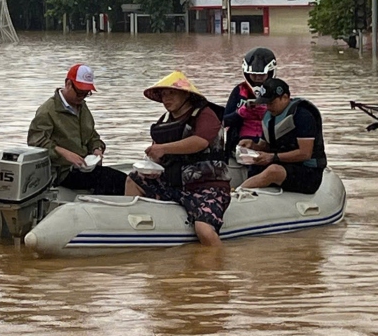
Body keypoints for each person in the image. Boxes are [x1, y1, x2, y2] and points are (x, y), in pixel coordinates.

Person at [126, 71, 229, 247]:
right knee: (133, 179)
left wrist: (164, 148)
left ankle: (217, 268)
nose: (167, 99)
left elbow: (200, 142)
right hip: (175, 184)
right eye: (164, 94)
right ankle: (134, 226)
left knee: (204, 230)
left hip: (207, 187)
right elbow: (157, 154)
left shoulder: (205, 114)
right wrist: (152, 165)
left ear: (186, 94)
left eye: (172, 93)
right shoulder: (163, 122)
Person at [27, 63, 127, 195]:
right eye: (80, 92)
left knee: (124, 180)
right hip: (61, 172)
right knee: (118, 181)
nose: (82, 96)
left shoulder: (82, 106)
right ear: (68, 83)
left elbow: (92, 136)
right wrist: (65, 154)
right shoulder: (47, 111)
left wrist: (97, 149)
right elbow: (35, 142)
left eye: (86, 93)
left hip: (84, 168)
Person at [238, 78, 327, 194]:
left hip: (308, 173)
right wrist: (253, 146)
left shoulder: (303, 116)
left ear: (285, 97)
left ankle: (237, 194)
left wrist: (273, 157)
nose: (268, 107)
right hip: (285, 165)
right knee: (255, 166)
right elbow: (265, 146)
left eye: (271, 102)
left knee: (273, 171)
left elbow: (305, 153)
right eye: (266, 103)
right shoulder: (269, 117)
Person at [222, 47, 277, 156]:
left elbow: (287, 121)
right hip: (239, 148)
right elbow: (224, 122)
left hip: (269, 150)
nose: (257, 78)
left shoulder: (278, 91)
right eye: (254, 75)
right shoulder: (239, 91)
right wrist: (241, 112)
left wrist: (267, 112)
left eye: (262, 75)